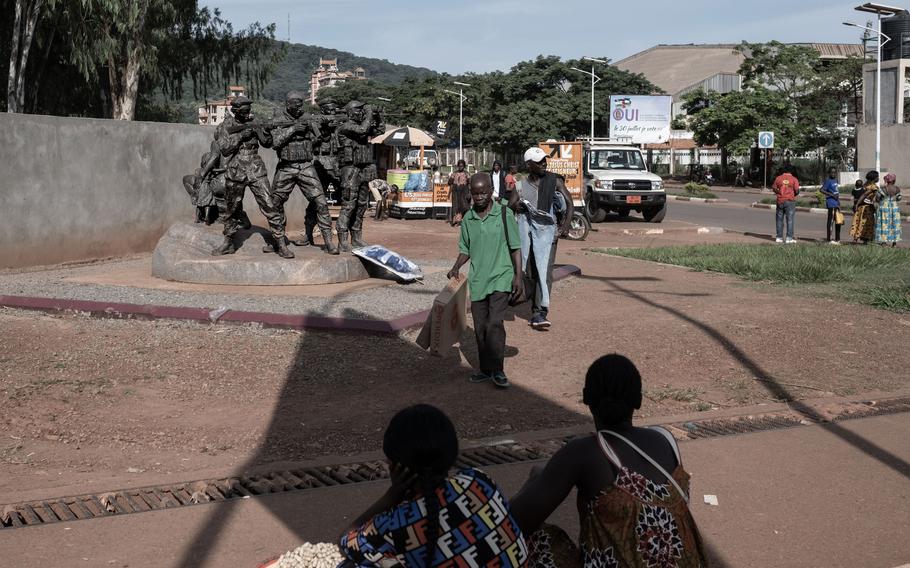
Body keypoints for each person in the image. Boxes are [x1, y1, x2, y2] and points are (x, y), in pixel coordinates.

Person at [509, 354, 708, 568]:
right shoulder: (664, 440)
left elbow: (511, 524)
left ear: (586, 397)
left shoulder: (584, 452)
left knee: (532, 540)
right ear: (638, 400)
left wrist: (534, 480)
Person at [339, 404, 529, 567]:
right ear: (452, 453)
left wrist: (391, 495)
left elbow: (345, 541)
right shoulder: (478, 481)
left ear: (394, 466)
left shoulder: (392, 526)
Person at [447, 173, 523, 388]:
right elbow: (465, 249)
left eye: (483, 192)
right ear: (470, 193)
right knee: (480, 327)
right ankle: (485, 369)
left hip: (502, 275)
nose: (479, 197)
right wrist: (455, 266)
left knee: (494, 324)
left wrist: (518, 276)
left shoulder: (504, 214)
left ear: (491, 192)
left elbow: (515, 248)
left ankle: (498, 370)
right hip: (479, 279)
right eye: (475, 193)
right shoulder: (468, 219)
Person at [213, 96, 290, 258]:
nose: (248, 113)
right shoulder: (225, 126)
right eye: (244, 111)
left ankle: (280, 243)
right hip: (236, 169)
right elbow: (225, 149)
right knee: (232, 208)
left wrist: (264, 130)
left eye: (249, 110)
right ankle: (228, 243)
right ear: (235, 111)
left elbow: (267, 143)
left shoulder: (254, 122)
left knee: (269, 204)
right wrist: (242, 136)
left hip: (255, 167)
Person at [509, 147, 574, 330]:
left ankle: (540, 312)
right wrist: (518, 207)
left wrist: (565, 226)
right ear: (529, 165)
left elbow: (569, 204)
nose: (544, 163)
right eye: (539, 162)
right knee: (530, 272)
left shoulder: (554, 180)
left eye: (545, 160)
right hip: (527, 236)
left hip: (548, 235)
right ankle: (529, 299)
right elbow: (510, 207)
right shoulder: (521, 184)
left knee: (544, 271)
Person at [268, 91, 336, 257]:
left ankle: (328, 242)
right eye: (296, 105)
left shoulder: (308, 117)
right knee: (275, 203)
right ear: (288, 104)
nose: (299, 108)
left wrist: (326, 129)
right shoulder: (278, 119)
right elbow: (275, 143)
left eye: (301, 105)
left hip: (306, 166)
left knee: (321, 202)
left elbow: (319, 140)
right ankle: (278, 241)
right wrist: (293, 129)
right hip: (286, 167)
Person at [336, 101, 385, 251]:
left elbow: (380, 130)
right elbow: (362, 129)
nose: (361, 112)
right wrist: (369, 113)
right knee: (349, 205)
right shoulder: (345, 126)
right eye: (358, 110)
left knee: (361, 205)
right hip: (350, 170)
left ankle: (356, 238)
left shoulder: (363, 126)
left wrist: (379, 116)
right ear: (350, 112)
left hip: (364, 169)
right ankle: (343, 240)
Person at [772, 167, 799, 244]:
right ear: (791, 171)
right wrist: (793, 194)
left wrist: (779, 192)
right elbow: (797, 190)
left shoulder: (778, 178)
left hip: (780, 201)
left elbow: (774, 188)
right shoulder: (794, 179)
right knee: (790, 220)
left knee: (779, 219)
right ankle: (789, 238)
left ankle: (779, 237)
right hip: (790, 201)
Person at [851, 170, 879, 244]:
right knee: (867, 224)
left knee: (859, 222)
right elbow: (864, 196)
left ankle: (856, 239)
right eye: (877, 177)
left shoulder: (865, 185)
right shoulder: (874, 187)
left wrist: (857, 204)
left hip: (861, 207)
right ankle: (865, 241)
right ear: (874, 178)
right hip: (867, 208)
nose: (878, 178)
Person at [875, 172, 902, 247]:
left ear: (887, 181)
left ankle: (883, 242)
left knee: (884, 223)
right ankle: (894, 243)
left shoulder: (883, 189)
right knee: (894, 224)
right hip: (894, 207)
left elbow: (877, 198)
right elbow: (899, 198)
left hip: (884, 207)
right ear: (894, 181)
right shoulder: (897, 189)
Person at [821, 167, 842, 245]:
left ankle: (837, 239)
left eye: (834, 172)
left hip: (836, 203)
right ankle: (829, 239)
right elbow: (822, 190)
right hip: (831, 203)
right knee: (831, 221)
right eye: (831, 172)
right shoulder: (828, 181)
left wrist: (838, 203)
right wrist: (831, 195)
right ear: (829, 173)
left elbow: (836, 192)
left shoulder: (836, 180)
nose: (833, 174)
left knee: (838, 221)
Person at [447, 159, 471, 225]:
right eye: (459, 166)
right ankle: (456, 220)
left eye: (462, 166)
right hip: (455, 191)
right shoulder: (454, 174)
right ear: (458, 166)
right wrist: (449, 193)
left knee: (464, 206)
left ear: (464, 166)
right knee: (456, 206)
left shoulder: (467, 174)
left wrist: (469, 193)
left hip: (464, 192)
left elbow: (469, 184)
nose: (461, 167)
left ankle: (463, 219)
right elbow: (450, 183)